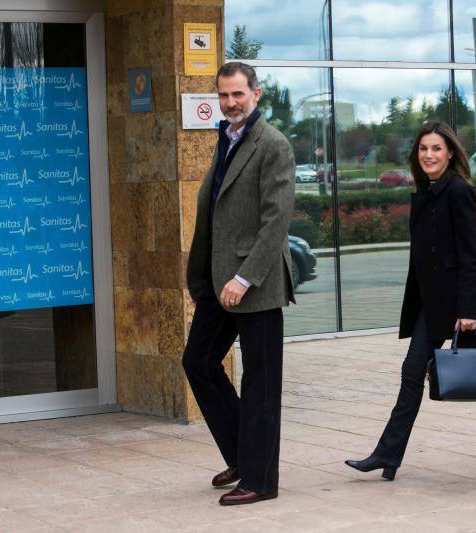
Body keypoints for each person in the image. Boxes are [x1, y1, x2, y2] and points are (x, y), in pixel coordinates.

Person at [345, 120, 476, 483]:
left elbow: (470, 255)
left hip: (458, 303)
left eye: (436, 149)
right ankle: (390, 454)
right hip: (433, 301)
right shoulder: (428, 190)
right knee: (428, 374)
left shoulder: (458, 190)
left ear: (450, 153)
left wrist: (467, 310)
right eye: (423, 149)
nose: (429, 155)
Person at [182, 61, 295, 506]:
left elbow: (276, 221)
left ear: (256, 94)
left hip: (256, 282)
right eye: (223, 95)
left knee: (261, 383)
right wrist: (205, 278)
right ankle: (243, 454)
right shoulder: (225, 140)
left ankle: (261, 480)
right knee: (199, 361)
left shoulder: (273, 145)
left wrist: (245, 276)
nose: (230, 103)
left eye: (238, 95)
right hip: (217, 281)